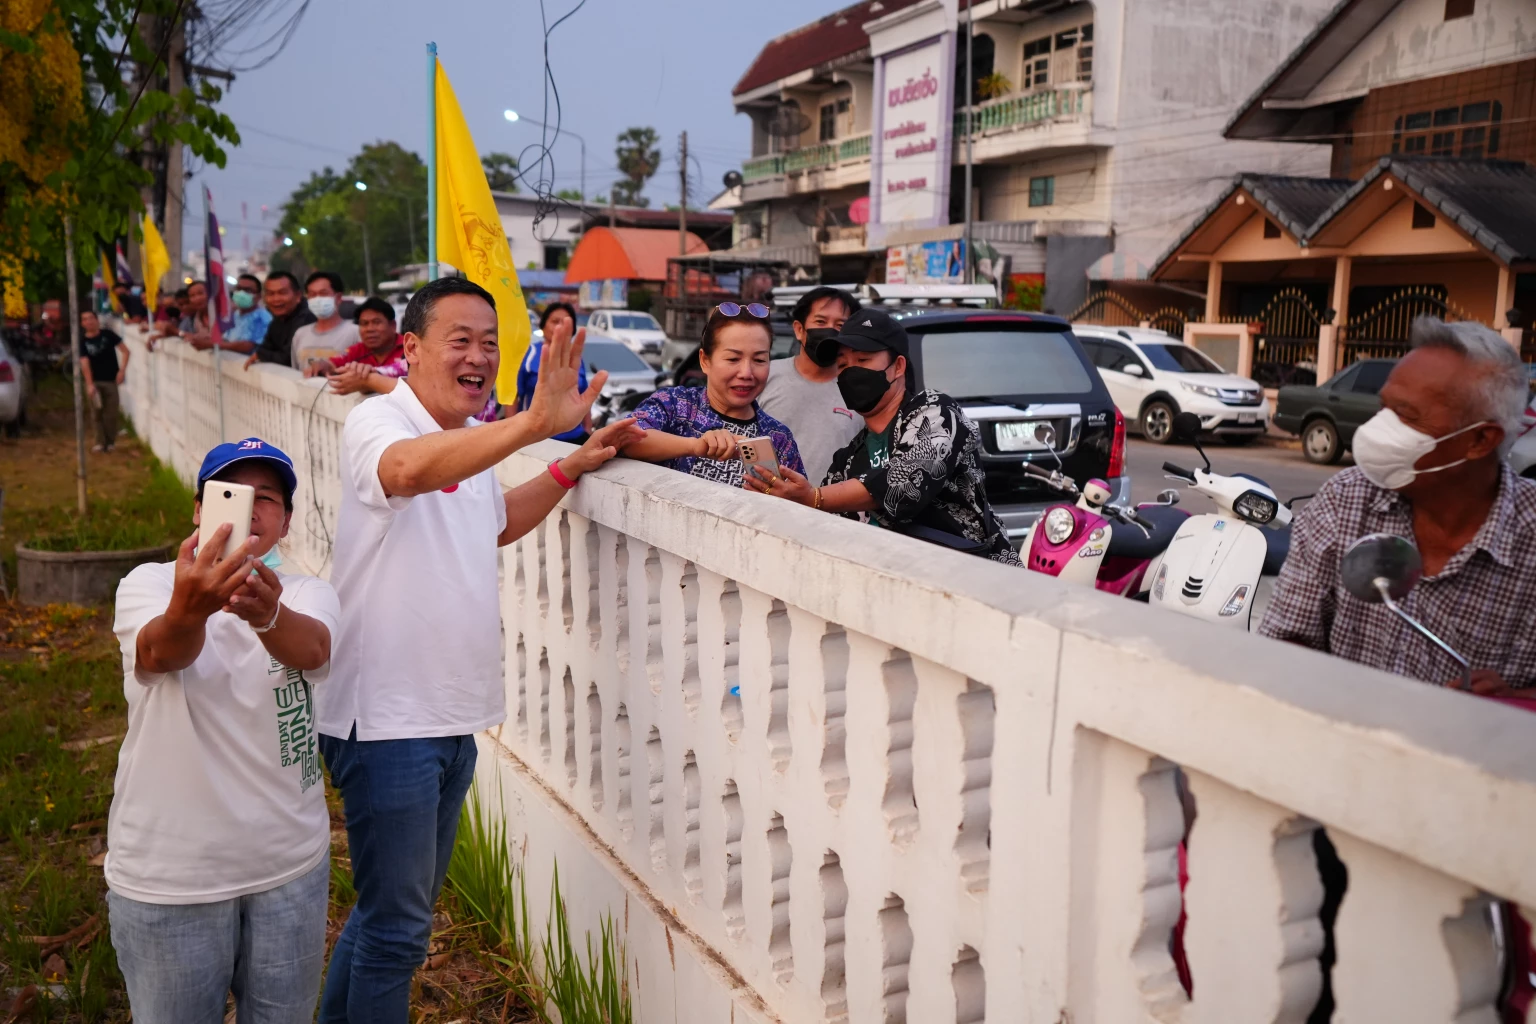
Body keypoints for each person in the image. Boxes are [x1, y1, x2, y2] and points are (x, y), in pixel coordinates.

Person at [318, 277, 642, 1023]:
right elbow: (403, 473)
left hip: (447, 717)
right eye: (459, 340)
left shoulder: (468, 438)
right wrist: (530, 428)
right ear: (410, 350)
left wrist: (568, 465)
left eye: (490, 344)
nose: (477, 356)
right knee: (399, 930)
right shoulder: (381, 421)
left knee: (385, 918)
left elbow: (492, 521)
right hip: (387, 721)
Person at [108, 438, 339, 1024]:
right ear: (198, 510)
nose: (252, 509)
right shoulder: (151, 584)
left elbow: (313, 650)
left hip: (290, 865)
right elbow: (160, 653)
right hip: (172, 874)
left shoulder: (308, 592)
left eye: (268, 498)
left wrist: (267, 614)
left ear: (286, 520)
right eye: (234, 494)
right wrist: (193, 605)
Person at [1260, 317, 1536, 689]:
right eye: (1384, 408)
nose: (1379, 429)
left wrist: (1515, 700)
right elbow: (1284, 641)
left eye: (1406, 415)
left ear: (1480, 440)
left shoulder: (1529, 538)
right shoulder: (1347, 499)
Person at [747, 307, 1021, 565]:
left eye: (863, 360)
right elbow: (820, 528)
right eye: (842, 366)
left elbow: (904, 484)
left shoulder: (936, 411)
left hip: (975, 580)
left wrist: (815, 497)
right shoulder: (848, 460)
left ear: (898, 367)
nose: (852, 372)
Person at [622, 302, 804, 487]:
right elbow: (625, 438)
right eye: (733, 359)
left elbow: (797, 506)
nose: (746, 373)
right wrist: (695, 446)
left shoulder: (779, 438)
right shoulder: (675, 405)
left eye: (759, 360)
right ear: (705, 361)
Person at [758, 286, 863, 485]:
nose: (830, 331)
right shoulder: (764, 376)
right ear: (799, 329)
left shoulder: (860, 390)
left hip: (831, 512)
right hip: (768, 504)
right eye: (820, 321)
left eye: (840, 325)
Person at [515, 302, 590, 443]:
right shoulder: (529, 354)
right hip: (536, 437)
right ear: (543, 326)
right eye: (555, 321)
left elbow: (583, 397)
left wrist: (587, 429)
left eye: (566, 322)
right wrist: (512, 435)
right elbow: (513, 397)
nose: (560, 326)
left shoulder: (575, 358)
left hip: (574, 437)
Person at [304, 297, 404, 395]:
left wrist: (368, 380)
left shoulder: (411, 348)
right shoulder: (357, 350)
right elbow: (332, 365)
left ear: (393, 326)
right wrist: (321, 365)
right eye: (364, 323)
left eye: (376, 322)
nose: (369, 329)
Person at [79, 309, 129, 452]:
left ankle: (110, 441)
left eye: (91, 318)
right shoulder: (83, 341)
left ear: (96, 320)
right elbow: (84, 362)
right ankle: (100, 442)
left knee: (111, 413)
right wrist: (89, 384)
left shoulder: (108, 335)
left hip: (111, 380)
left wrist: (122, 370)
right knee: (97, 413)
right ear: (82, 323)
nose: (89, 321)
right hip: (94, 381)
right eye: (85, 319)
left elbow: (125, 351)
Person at [290, 271, 360, 371]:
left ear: (338, 298)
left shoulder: (355, 332)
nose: (317, 299)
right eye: (312, 295)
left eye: (323, 293)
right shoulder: (300, 334)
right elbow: (296, 371)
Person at [245, 271, 317, 369]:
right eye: (270, 294)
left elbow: (290, 358)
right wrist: (262, 354)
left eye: (282, 293)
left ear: (298, 296)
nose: (276, 299)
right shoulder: (277, 320)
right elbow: (265, 348)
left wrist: (262, 355)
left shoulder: (308, 319)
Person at [218, 273, 272, 353]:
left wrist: (214, 344)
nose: (241, 293)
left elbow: (248, 346)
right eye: (238, 289)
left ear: (258, 296)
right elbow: (226, 339)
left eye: (248, 290)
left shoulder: (263, 318)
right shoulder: (235, 315)